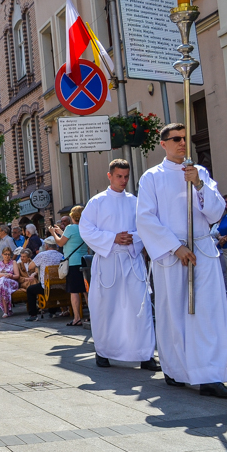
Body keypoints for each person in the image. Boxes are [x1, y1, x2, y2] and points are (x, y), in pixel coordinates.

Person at [135, 123, 227, 398]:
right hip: (172, 253)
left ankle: (210, 374)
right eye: (176, 139)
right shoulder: (152, 177)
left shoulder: (200, 172)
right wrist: (173, 246)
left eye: (185, 138)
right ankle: (175, 370)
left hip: (203, 249)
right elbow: (145, 217)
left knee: (208, 313)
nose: (183, 143)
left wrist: (199, 185)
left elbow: (216, 214)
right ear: (164, 144)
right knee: (174, 313)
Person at [79, 159, 158, 371]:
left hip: (132, 259)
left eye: (126, 177)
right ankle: (103, 351)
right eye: (119, 176)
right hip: (108, 260)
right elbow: (86, 230)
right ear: (109, 176)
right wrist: (113, 238)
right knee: (106, 307)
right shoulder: (97, 202)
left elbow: (146, 226)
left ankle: (145, 354)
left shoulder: (135, 201)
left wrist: (133, 238)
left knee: (139, 306)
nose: (123, 181)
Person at [49, 206, 88, 326]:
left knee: (74, 291)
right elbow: (72, 238)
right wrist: (60, 232)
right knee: (86, 291)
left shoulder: (70, 228)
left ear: (72, 216)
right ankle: (93, 316)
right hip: (85, 261)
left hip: (73, 263)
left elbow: (60, 242)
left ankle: (77, 318)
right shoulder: (85, 227)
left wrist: (53, 234)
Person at [20, 236, 65, 321]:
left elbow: (30, 267)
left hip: (47, 288)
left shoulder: (42, 255)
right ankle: (52, 312)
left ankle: (33, 315)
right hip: (60, 286)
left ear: (46, 246)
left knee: (30, 290)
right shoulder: (61, 255)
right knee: (52, 284)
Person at [0, 246, 19, 317]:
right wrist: (6, 275)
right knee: (3, 283)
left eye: (8, 254)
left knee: (2, 280)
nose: (7, 256)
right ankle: (5, 312)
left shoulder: (13, 262)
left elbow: (17, 276)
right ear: (2, 254)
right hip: (4, 284)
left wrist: (10, 276)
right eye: (5, 254)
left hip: (12, 283)